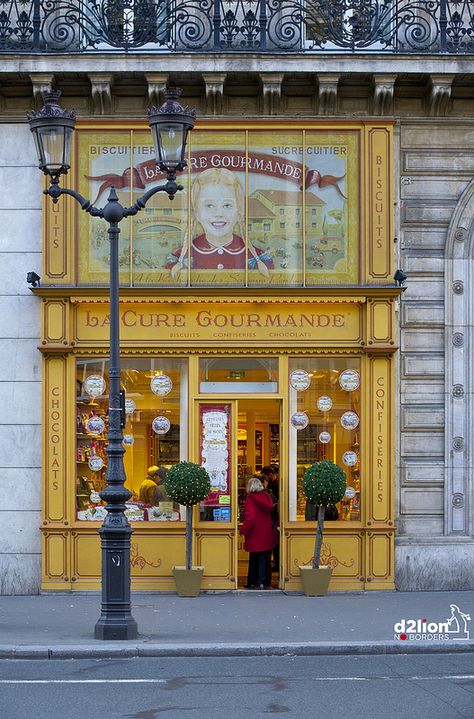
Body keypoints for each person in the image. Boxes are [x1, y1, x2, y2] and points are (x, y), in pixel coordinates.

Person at [166, 168, 274, 276]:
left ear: (239, 211)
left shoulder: (259, 260)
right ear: (197, 213)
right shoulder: (178, 259)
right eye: (209, 205)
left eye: (227, 205)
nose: (219, 213)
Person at [240, 477, 276, 589]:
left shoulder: (250, 499)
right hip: (266, 532)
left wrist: (243, 530)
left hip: (254, 533)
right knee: (265, 558)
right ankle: (263, 582)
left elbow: (250, 518)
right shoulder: (267, 496)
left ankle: (252, 582)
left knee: (254, 559)